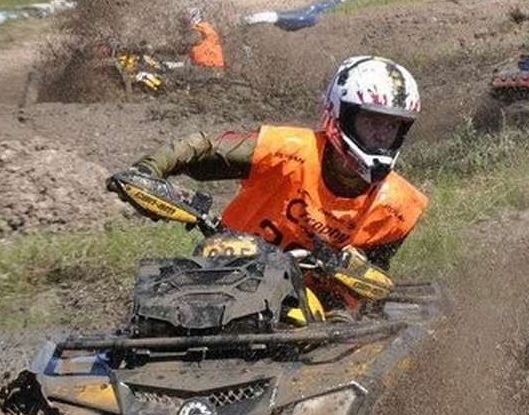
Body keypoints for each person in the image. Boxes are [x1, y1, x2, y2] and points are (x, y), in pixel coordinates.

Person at [112, 56, 427, 273]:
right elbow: (201, 147)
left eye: (392, 126)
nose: (381, 135)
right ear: (340, 114)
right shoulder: (285, 150)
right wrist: (148, 172)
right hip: (229, 270)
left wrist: (354, 270)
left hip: (315, 310)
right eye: (371, 120)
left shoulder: (400, 207)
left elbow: (374, 280)